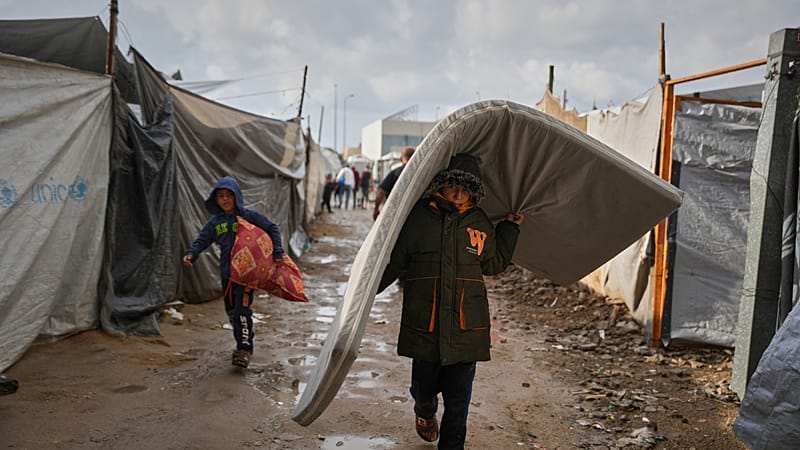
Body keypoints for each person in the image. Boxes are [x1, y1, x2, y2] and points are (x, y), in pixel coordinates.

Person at [377, 154, 524, 449]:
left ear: (474, 191)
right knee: (423, 389)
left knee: (458, 404)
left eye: (465, 188)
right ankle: (424, 411)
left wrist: (509, 229)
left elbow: (493, 263)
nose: (458, 194)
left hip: (466, 327)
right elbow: (395, 262)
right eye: (452, 186)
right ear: (440, 186)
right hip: (426, 323)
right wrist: (367, 292)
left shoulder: (479, 222)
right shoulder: (418, 217)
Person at [182, 176, 285, 368]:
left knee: (241, 310)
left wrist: (278, 251)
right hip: (227, 275)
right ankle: (244, 332)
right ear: (216, 199)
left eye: (229, 195)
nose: (226, 200)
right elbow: (202, 240)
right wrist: (191, 254)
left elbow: (272, 228)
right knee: (231, 311)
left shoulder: (248, 217)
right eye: (221, 196)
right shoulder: (215, 223)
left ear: (237, 196)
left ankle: (244, 349)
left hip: (245, 276)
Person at [373, 146, 414, 220]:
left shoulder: (395, 173)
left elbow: (381, 192)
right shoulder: (419, 174)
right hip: (413, 213)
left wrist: (376, 209)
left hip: (393, 213)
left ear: (401, 159)